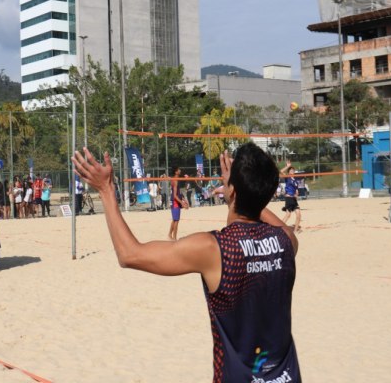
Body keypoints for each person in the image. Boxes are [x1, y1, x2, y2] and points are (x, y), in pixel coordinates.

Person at [72, 143, 300, 382]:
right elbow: (274, 219)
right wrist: (243, 192)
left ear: (230, 191)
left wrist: (106, 190)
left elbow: (129, 254)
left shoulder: (215, 248)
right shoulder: (286, 241)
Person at [280, 160, 302, 233]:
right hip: (289, 198)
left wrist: (297, 194)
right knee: (288, 215)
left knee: (298, 215)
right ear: (289, 172)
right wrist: (288, 166)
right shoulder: (288, 177)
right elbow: (281, 171)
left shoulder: (295, 181)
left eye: (293, 170)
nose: (292, 171)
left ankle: (295, 231)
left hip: (294, 199)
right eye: (291, 170)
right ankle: (279, 229)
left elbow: (296, 191)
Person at [168, 166, 189, 240]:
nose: (180, 170)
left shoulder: (177, 179)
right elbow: (174, 195)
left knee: (175, 220)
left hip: (176, 201)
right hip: (175, 202)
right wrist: (182, 203)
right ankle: (174, 238)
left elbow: (178, 192)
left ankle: (170, 234)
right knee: (176, 220)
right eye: (178, 169)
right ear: (176, 172)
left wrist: (183, 199)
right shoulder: (175, 180)